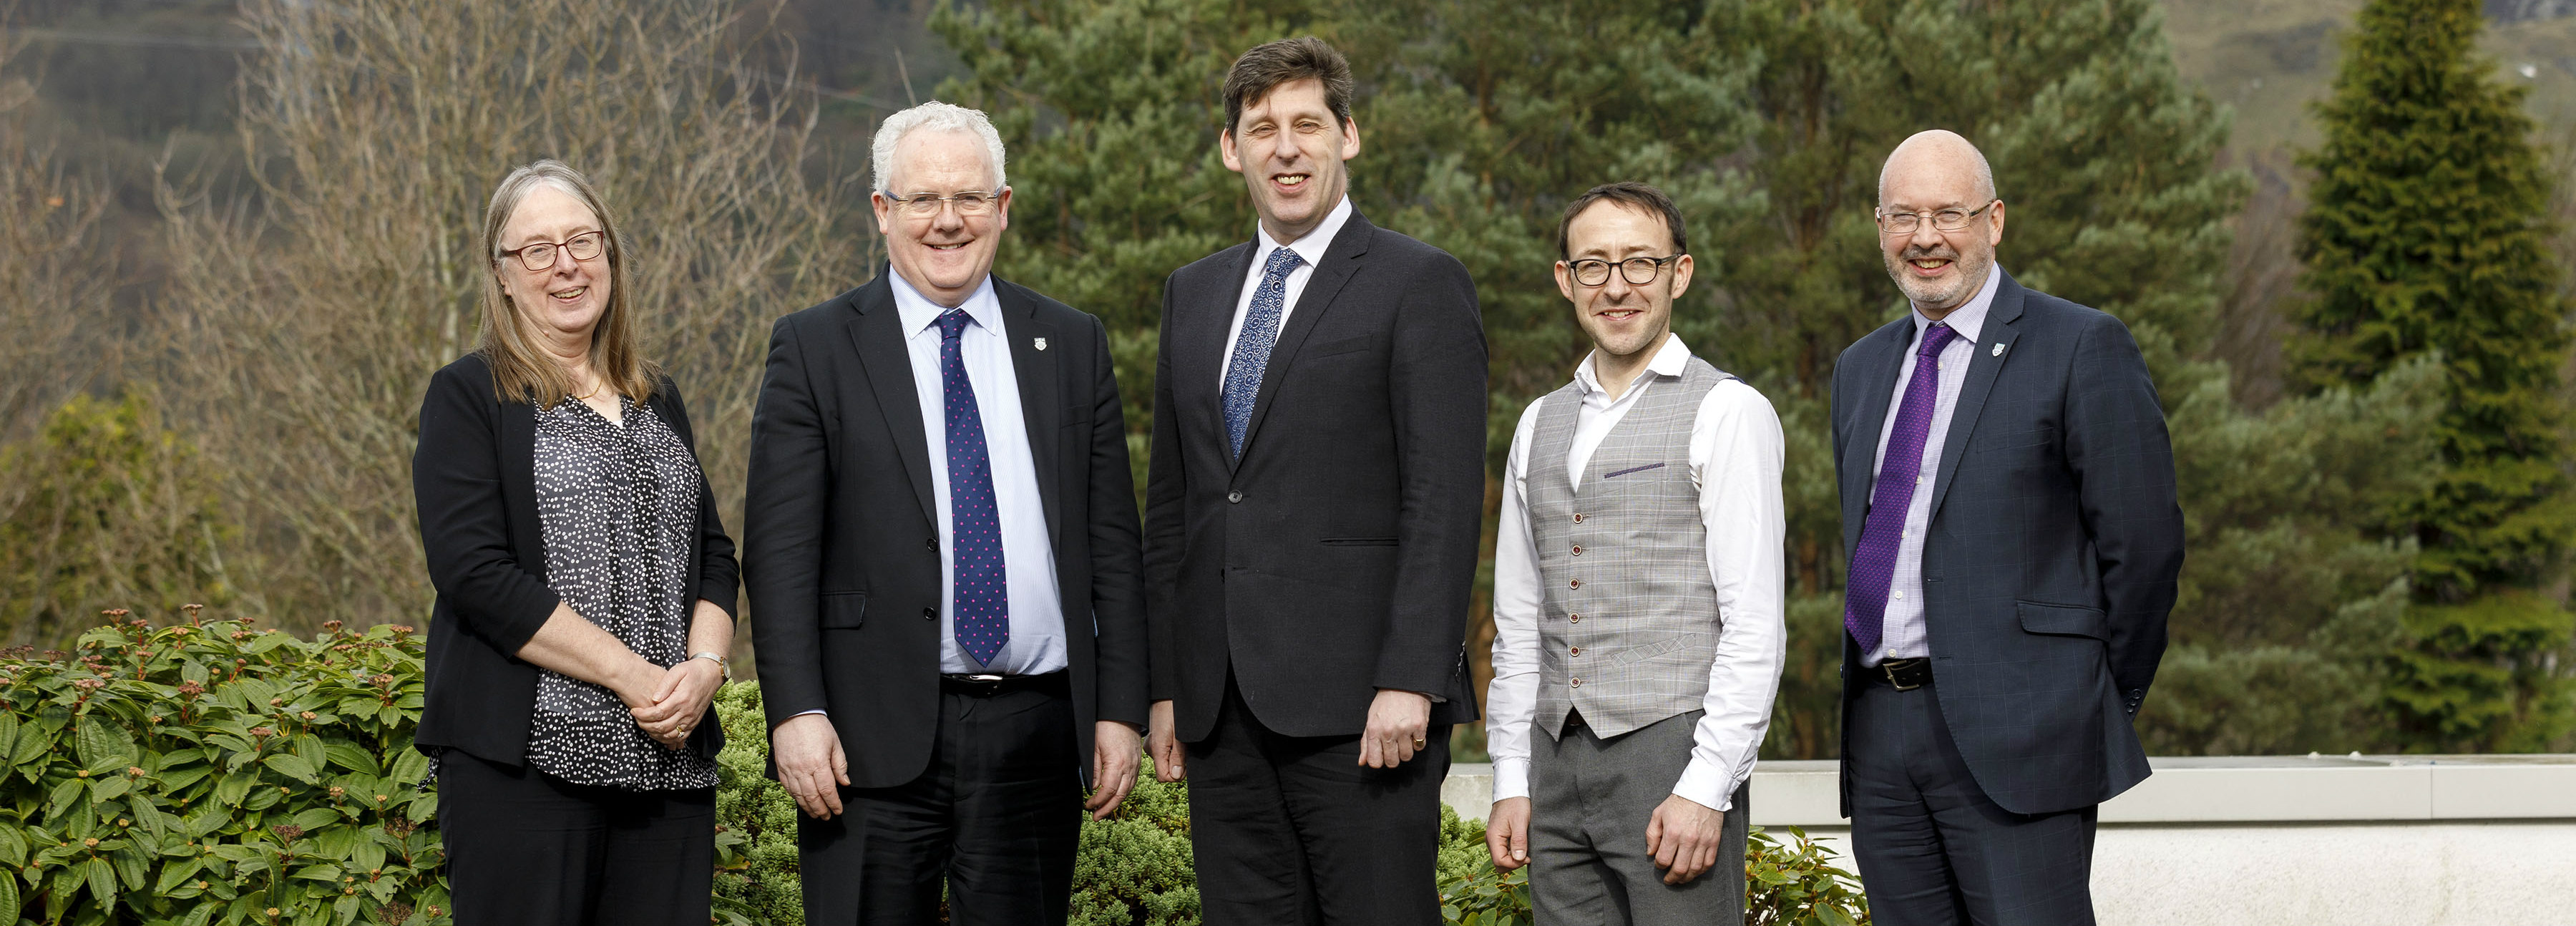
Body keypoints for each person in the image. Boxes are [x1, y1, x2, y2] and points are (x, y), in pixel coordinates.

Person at [743, 101, 1148, 925]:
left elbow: (1114, 542)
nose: (947, 220)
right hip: (865, 738)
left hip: (1037, 735)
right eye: (923, 198)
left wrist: (1120, 707)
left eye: (969, 197)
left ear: (1003, 207)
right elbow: (780, 553)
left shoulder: (1071, 343)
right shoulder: (815, 347)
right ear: (882, 211)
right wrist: (797, 712)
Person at [1140, 36, 1488, 925]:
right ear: (1231, 148)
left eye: (1306, 125)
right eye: (1262, 129)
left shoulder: (1421, 283)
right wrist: (1169, 683)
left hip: (1365, 710)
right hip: (1223, 711)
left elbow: (1442, 502)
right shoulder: (1194, 293)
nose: (1285, 148)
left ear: (1348, 136)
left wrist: (1412, 676)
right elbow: (1176, 507)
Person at [1830, 130, 2184, 925]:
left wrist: (2085, 700)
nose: (1926, 237)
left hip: (2026, 737)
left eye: (1949, 213)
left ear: (1995, 221)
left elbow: (2145, 549)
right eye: (1903, 216)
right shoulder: (1859, 369)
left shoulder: (2081, 345)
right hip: (1881, 734)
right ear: (1879, 227)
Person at [413, 159, 738, 926]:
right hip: (525, 768)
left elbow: (716, 556)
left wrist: (703, 670)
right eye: (538, 249)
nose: (566, 265)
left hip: (669, 760)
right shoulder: (469, 396)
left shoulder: (658, 397)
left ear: (611, 257)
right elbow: (474, 572)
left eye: (583, 241)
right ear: (502, 275)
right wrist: (635, 678)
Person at [1481, 181, 1787, 924]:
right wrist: (1510, 777)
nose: (1617, 286)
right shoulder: (1537, 423)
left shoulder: (1728, 410)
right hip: (1554, 763)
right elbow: (1520, 623)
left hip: (1671, 757)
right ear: (1566, 280)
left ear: (1679, 273)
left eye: (1640, 263)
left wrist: (1706, 784)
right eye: (1594, 265)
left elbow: (1755, 623)